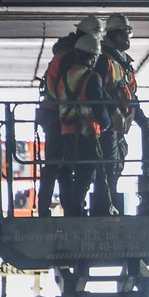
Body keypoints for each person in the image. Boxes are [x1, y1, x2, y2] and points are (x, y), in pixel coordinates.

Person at [41, 16, 107, 216]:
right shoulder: (73, 61)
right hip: (63, 119)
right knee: (71, 167)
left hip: (56, 115)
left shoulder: (64, 53)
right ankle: (71, 208)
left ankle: (60, 208)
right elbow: (80, 93)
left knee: (58, 167)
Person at [97, 14, 139, 214]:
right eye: (124, 34)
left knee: (115, 168)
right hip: (107, 126)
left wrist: (145, 125)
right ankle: (106, 207)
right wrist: (113, 112)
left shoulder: (123, 64)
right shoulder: (104, 60)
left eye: (128, 33)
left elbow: (131, 97)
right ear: (113, 35)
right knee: (108, 169)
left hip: (120, 128)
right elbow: (97, 90)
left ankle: (109, 205)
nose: (127, 38)